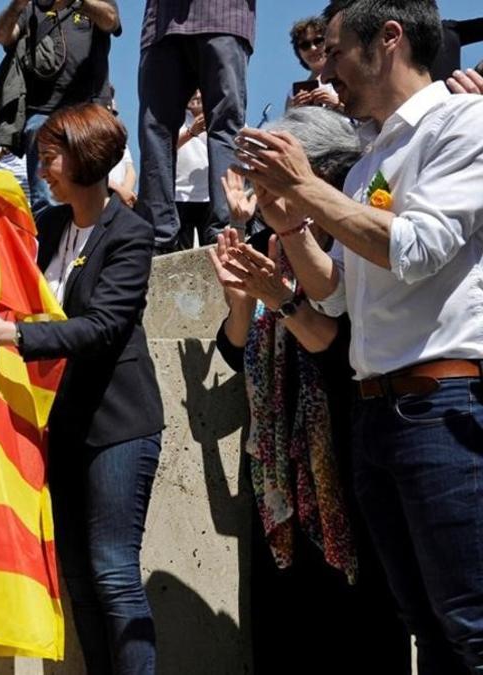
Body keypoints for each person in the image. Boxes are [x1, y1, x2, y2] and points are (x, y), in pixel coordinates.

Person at [236, 1, 483, 670]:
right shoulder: (373, 154)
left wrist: (310, 190)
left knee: (471, 624)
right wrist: (289, 221)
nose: (326, 66)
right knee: (428, 629)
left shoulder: (463, 123)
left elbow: (418, 246)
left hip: (443, 407)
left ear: (391, 40)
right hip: (379, 416)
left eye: (337, 48)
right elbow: (335, 291)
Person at [0, 104, 163, 675]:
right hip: (58, 424)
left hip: (117, 424)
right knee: (79, 579)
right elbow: (7, 264)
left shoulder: (131, 233)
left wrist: (7, 334)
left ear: (86, 157)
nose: (43, 168)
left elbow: (103, 327)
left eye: (52, 156)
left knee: (112, 570)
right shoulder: (51, 226)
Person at [210, 106, 409, 675]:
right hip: (279, 473)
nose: (260, 189)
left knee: (354, 622)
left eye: (271, 174)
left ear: (315, 173)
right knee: (285, 626)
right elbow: (235, 351)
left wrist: (282, 301)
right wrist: (243, 302)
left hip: (341, 462)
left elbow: (333, 342)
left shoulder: (358, 236)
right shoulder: (271, 241)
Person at [136, 0, 255, 254]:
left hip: (222, 16)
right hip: (163, 24)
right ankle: (159, 236)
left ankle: (226, 231)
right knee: (156, 130)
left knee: (222, 125)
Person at [0, 0, 121, 218]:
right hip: (42, 111)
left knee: (94, 184)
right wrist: (17, 6)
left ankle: (96, 241)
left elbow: (111, 21)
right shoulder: (31, 7)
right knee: (47, 189)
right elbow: (3, 36)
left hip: (90, 106)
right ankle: (51, 241)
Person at [174, 90, 211, 250]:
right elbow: (164, 146)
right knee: (182, 255)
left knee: (214, 250)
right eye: (191, 89)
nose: (195, 95)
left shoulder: (220, 114)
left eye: (199, 89)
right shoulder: (173, 116)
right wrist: (191, 132)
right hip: (179, 195)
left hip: (211, 196)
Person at [286, 16, 341, 109]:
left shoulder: (348, 78)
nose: (313, 48)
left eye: (318, 41)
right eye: (305, 45)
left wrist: (337, 104)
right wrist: (294, 112)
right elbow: (287, 123)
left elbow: (369, 116)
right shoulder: (293, 94)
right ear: (299, 53)